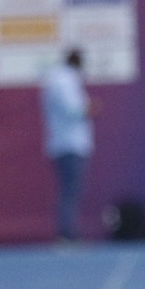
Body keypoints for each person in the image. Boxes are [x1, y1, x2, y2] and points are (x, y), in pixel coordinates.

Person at [41, 47, 94, 242]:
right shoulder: (63, 81)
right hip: (69, 144)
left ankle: (67, 233)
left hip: (67, 143)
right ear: (77, 62)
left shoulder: (61, 79)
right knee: (69, 192)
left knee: (70, 191)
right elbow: (73, 110)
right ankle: (66, 234)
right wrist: (90, 108)